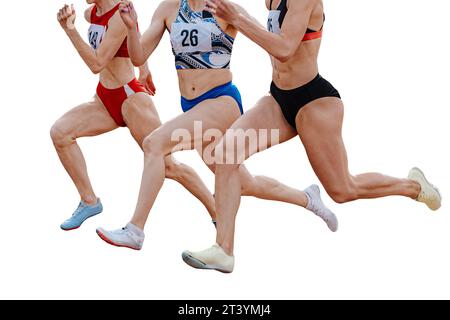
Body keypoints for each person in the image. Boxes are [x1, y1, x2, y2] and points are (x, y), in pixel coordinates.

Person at [182, 0, 442, 273]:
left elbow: (284, 49)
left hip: (314, 102)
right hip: (280, 99)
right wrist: (233, 15)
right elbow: (269, 33)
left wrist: (238, 18)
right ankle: (224, 251)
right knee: (226, 152)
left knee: (343, 190)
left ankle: (413, 187)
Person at [96, 0, 338, 251]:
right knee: (244, 184)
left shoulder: (224, 8)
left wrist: (293, 81)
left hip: (222, 103)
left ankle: (135, 230)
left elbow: (273, 42)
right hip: (193, 108)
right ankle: (308, 198)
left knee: (154, 144)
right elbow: (138, 57)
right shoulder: (168, 8)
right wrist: (132, 27)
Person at [52, 0, 216, 232]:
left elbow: (97, 63)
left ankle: (216, 210)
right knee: (60, 133)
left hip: (131, 99)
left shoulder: (118, 14)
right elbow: (134, 33)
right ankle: (89, 200)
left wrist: (70, 30)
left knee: (168, 166)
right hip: (104, 99)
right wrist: (144, 68)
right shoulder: (92, 13)